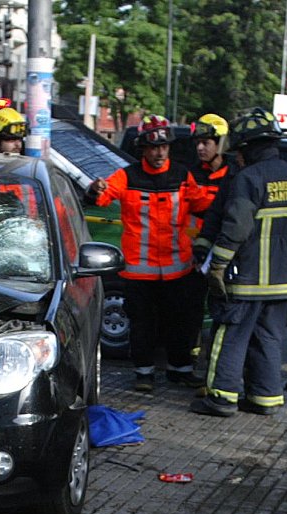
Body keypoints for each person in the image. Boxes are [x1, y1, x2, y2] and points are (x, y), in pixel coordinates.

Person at [190, 108, 287, 417]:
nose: (237, 158)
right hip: (283, 281)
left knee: (229, 336)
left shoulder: (248, 178)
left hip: (246, 277)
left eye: (240, 151)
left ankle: (221, 398)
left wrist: (217, 264)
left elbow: (236, 227)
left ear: (250, 147)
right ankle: (265, 398)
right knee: (269, 339)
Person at [87, 114, 212, 392]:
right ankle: (144, 374)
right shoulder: (126, 176)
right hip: (138, 270)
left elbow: (201, 204)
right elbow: (103, 195)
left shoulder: (182, 175)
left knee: (179, 322)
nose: (159, 152)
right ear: (143, 148)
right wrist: (96, 189)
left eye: (164, 147)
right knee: (142, 324)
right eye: (154, 147)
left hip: (177, 267)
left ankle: (180, 370)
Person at [186, 113, 234, 380]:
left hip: (221, 258)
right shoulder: (190, 174)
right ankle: (192, 364)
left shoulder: (234, 177)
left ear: (221, 143)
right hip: (191, 256)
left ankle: (208, 366)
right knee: (191, 312)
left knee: (215, 312)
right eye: (198, 143)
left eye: (207, 142)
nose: (201, 148)